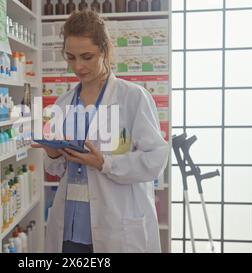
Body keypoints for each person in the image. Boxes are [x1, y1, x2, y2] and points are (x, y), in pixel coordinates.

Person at [32, 10, 169, 253]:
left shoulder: (133, 97)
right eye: (71, 57)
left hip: (116, 224)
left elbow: (155, 160)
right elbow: (56, 169)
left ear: (105, 50)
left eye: (87, 56)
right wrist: (52, 153)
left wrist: (105, 163)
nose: (78, 66)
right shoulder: (64, 103)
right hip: (71, 225)